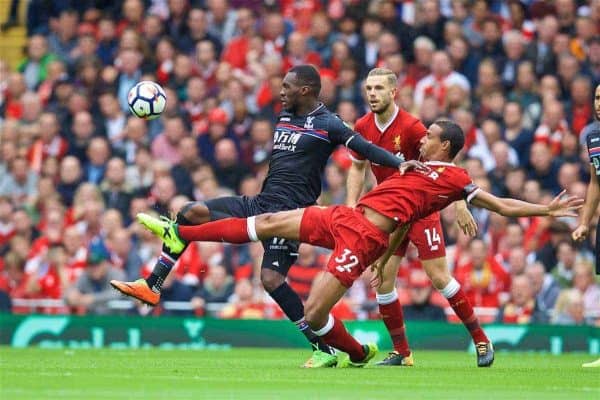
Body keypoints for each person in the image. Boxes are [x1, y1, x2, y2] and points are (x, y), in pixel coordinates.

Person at [132, 120, 581, 368]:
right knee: (267, 221)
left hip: (365, 237)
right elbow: (363, 169)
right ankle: (181, 234)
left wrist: (545, 210)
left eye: (429, 136)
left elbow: (500, 204)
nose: (420, 138)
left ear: (446, 144)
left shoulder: (456, 179)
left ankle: (357, 351)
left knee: (314, 313)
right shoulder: (413, 165)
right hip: (345, 216)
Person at [111, 64, 407, 368]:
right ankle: (153, 285)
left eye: (287, 87)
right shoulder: (285, 116)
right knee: (189, 212)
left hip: (289, 215)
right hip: (260, 203)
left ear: (305, 90)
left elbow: (366, 148)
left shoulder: (329, 124)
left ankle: (325, 348)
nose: (281, 91)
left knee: (270, 278)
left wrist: (398, 164)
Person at [345, 68, 488, 366]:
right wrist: (350, 205)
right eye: (368, 88)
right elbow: (357, 167)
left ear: (393, 92)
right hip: (387, 211)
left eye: (379, 88)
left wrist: (461, 202)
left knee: (438, 277)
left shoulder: (411, 126)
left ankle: (481, 340)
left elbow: (444, 158)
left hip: (421, 209)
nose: (372, 94)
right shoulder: (361, 125)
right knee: (382, 279)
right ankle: (402, 353)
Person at [572, 83, 600, 368]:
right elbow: (596, 183)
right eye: (597, 97)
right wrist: (585, 223)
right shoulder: (593, 136)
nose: (599, 103)